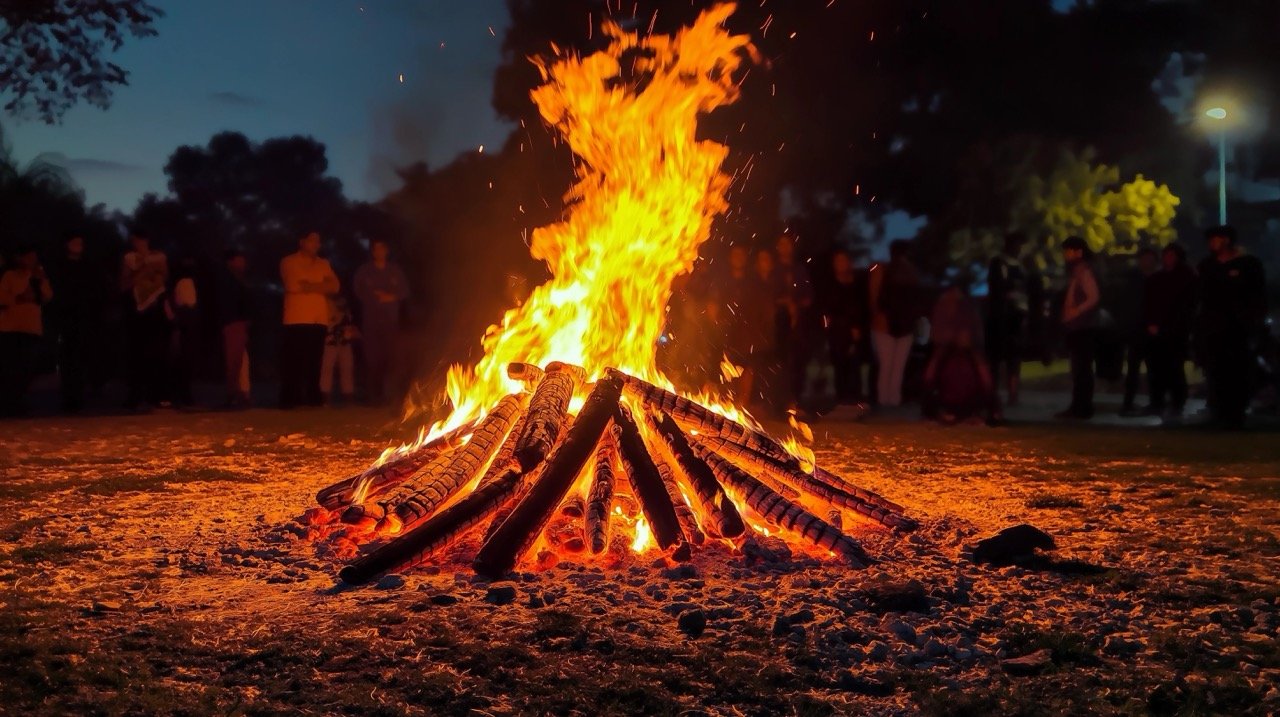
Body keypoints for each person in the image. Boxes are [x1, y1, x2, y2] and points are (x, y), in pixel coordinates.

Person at [1197, 225, 1267, 428]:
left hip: (1238, 330)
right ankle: (1217, 411)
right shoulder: (1208, 265)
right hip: (1214, 328)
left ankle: (1236, 413)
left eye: (1215, 239)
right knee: (1215, 371)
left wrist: (1253, 322)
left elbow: (1258, 296)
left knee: (1237, 371)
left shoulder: (1248, 265)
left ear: (1226, 240)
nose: (1212, 243)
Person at [922, 279, 1001, 424]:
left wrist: (967, 341)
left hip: (967, 353)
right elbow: (938, 335)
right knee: (936, 364)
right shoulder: (942, 308)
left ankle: (988, 408)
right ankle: (935, 405)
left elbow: (974, 335)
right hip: (947, 352)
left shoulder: (968, 310)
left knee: (979, 366)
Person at [279, 232, 339, 408]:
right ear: (302, 242)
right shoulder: (289, 262)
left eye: (318, 241)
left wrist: (310, 286)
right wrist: (322, 286)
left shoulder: (323, 264)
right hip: (296, 318)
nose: (316, 244)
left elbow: (335, 286)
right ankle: (290, 400)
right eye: (312, 241)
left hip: (318, 319)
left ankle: (313, 399)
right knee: (294, 361)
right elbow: (293, 285)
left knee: (315, 362)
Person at [48, 235, 102, 412]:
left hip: (84, 317)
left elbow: (95, 290)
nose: (78, 246)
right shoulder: (59, 266)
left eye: (80, 243)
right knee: (67, 358)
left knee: (81, 357)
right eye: (74, 242)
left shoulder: (88, 266)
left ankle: (79, 397)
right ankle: (68, 398)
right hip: (65, 317)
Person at [353, 238, 410, 405]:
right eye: (376, 249)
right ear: (372, 252)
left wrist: (390, 296)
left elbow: (405, 291)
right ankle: (373, 397)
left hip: (390, 322)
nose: (379, 252)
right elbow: (358, 291)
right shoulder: (364, 271)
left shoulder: (394, 271)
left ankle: (391, 396)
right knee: (373, 359)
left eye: (382, 248)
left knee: (391, 359)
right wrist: (375, 296)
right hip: (371, 322)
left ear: (386, 251)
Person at [1143, 243, 1197, 417]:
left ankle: (1176, 401)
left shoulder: (1186, 277)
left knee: (1174, 368)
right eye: (1166, 255)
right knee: (1156, 368)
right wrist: (1151, 323)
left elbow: (1185, 306)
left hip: (1176, 330)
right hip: (1157, 330)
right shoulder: (1157, 278)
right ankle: (1157, 401)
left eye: (1171, 255)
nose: (1168, 259)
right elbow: (1150, 303)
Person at [0, 247, 53, 416]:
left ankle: (19, 400)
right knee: (11, 367)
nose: (32, 261)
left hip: (32, 328)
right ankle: (9, 403)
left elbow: (47, 296)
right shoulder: (10, 276)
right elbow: (2, 297)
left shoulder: (36, 277)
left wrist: (42, 280)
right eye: (29, 257)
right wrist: (19, 298)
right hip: (11, 327)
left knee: (27, 367)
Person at [119, 232, 170, 410]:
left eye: (140, 239)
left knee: (156, 353)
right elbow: (124, 284)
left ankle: (155, 395)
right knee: (136, 354)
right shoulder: (130, 258)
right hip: (136, 311)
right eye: (134, 240)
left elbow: (164, 278)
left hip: (155, 310)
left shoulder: (158, 257)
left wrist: (154, 273)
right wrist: (141, 272)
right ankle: (135, 395)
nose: (138, 243)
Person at [869, 240, 921, 408]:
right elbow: (874, 297)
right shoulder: (884, 270)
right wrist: (877, 316)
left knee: (894, 365)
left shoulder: (909, 272)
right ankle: (887, 401)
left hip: (901, 323)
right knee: (890, 365)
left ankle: (891, 401)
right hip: (888, 323)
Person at [985, 232, 1036, 405]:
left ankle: (1013, 393)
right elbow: (999, 287)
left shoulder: (1020, 266)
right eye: (1018, 245)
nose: (1020, 249)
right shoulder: (999, 262)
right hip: (1001, 317)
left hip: (1017, 316)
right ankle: (992, 393)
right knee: (996, 356)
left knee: (1014, 357)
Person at [721, 244, 772, 407]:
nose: (739, 258)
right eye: (735, 254)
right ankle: (726, 402)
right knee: (727, 366)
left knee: (749, 366)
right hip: (726, 330)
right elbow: (715, 304)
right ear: (730, 258)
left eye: (741, 255)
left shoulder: (752, 281)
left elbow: (762, 306)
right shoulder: (723, 281)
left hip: (748, 332)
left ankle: (742, 404)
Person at [1057, 236, 1101, 420]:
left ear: (1078, 252)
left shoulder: (1084, 272)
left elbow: (1094, 296)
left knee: (1082, 368)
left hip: (1083, 327)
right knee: (1079, 368)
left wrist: (1075, 311)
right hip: (1078, 327)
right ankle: (1078, 406)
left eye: (1068, 250)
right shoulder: (1077, 272)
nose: (1065, 255)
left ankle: (1082, 407)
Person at [773, 233, 815, 409]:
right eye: (781, 244)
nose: (785, 247)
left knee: (798, 361)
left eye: (787, 244)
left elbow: (809, 296)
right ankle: (780, 402)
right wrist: (786, 303)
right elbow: (769, 295)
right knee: (781, 361)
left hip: (798, 323)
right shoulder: (774, 269)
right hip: (779, 321)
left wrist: (797, 305)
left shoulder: (799, 269)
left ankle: (796, 401)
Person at [824, 249, 870, 405]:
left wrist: (857, 326)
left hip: (855, 331)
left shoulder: (857, 284)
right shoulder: (830, 284)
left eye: (843, 261)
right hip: (837, 332)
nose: (841, 264)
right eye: (838, 261)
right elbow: (829, 308)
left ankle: (854, 399)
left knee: (855, 364)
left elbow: (861, 307)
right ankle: (841, 399)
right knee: (839, 364)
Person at [1119, 248, 1160, 416]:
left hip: (1150, 330)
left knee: (1152, 369)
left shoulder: (1157, 280)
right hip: (1137, 330)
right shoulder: (1135, 280)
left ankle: (1154, 402)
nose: (1146, 263)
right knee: (1134, 369)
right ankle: (1129, 402)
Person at [216, 249, 252, 408]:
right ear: (231, 261)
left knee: (239, 360)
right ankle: (233, 395)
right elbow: (229, 303)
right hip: (233, 323)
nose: (243, 263)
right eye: (240, 259)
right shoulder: (227, 280)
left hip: (238, 323)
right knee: (233, 361)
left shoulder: (237, 279)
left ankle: (239, 394)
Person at [166, 257, 201, 407]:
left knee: (186, 359)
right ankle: (182, 394)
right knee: (183, 359)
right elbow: (177, 303)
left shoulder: (187, 282)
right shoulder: (183, 283)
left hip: (187, 321)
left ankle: (183, 393)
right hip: (184, 321)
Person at [320, 294, 358, 406]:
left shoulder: (344, 301)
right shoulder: (324, 302)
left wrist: (350, 332)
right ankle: (325, 399)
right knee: (326, 369)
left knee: (347, 368)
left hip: (345, 340)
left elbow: (349, 319)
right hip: (330, 340)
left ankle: (349, 399)